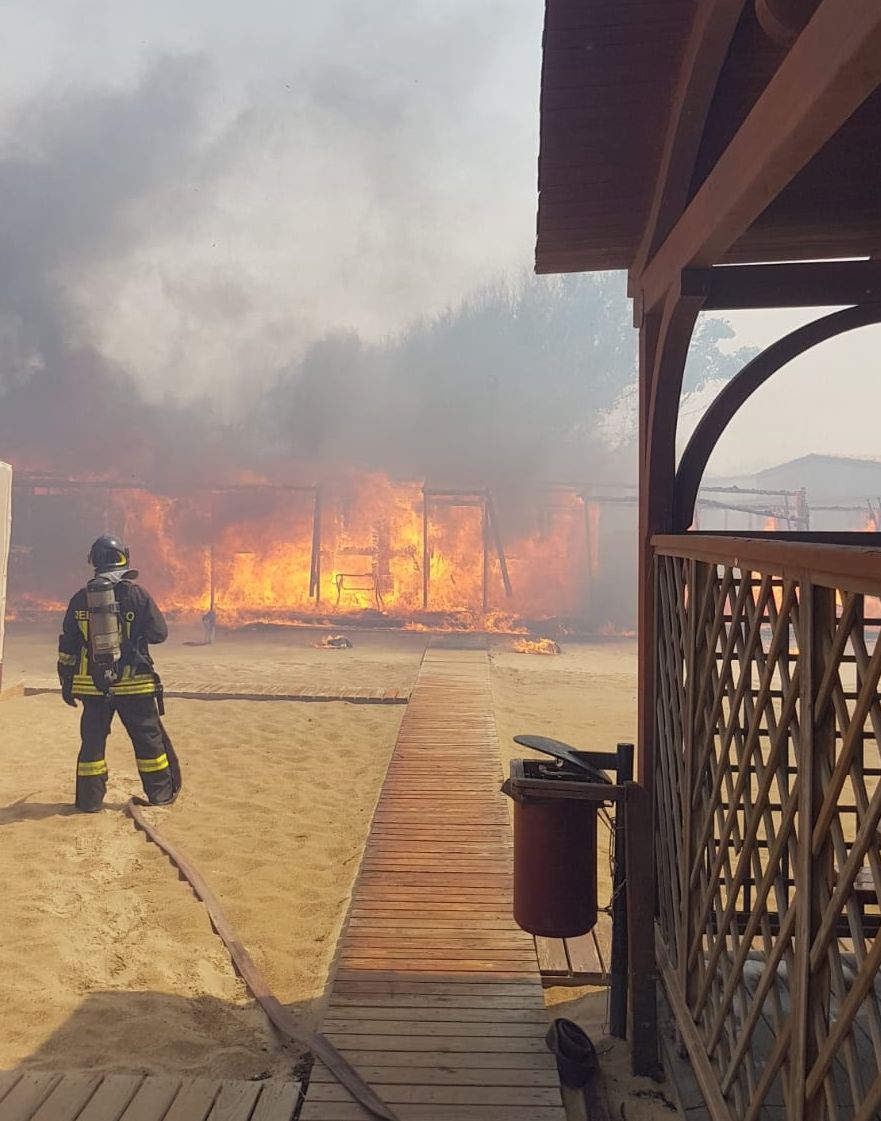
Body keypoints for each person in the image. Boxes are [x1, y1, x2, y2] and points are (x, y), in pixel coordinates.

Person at [57, 534, 181, 813]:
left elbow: (68, 646)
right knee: (148, 741)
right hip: (134, 684)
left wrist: (66, 682)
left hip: (94, 688)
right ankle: (159, 796)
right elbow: (159, 634)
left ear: (94, 562)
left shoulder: (80, 599)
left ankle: (88, 803)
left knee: (92, 745)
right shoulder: (136, 594)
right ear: (123, 558)